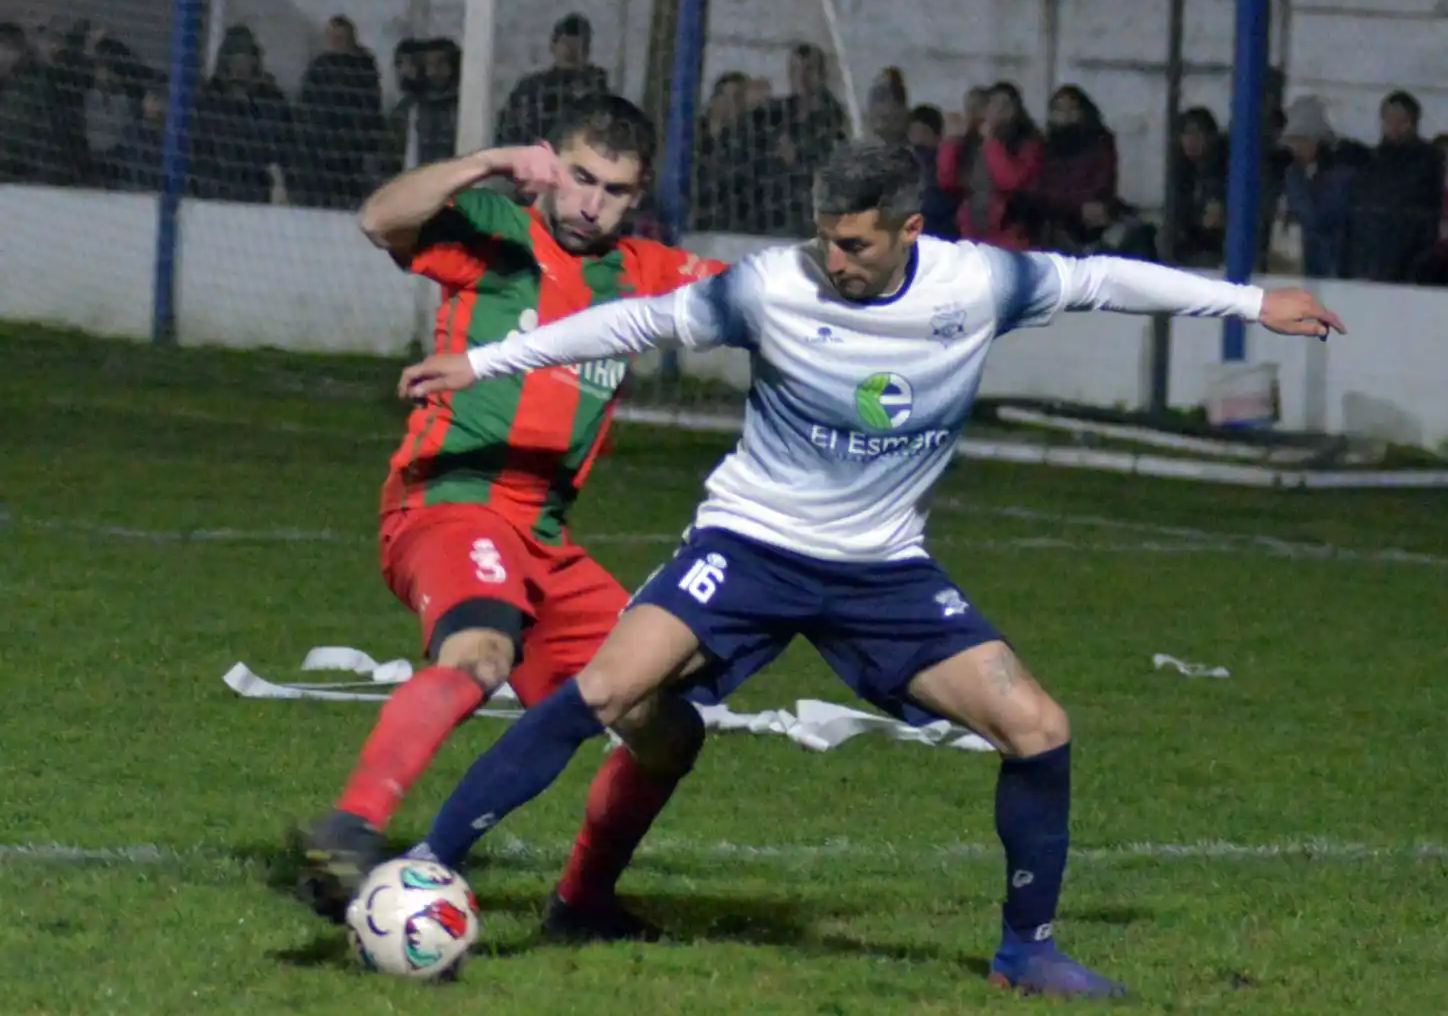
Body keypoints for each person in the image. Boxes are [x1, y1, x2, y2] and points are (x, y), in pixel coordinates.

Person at [395, 142, 1344, 998]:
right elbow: (634, 324)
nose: (833, 260)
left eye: (853, 243)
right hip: (750, 545)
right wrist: (489, 360)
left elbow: (1103, 279)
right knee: (603, 687)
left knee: (1038, 725)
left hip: (882, 571)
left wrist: (1254, 303)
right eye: (825, 239)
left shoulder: (979, 284)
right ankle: (426, 867)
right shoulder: (772, 285)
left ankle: (1027, 951)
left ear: (910, 231)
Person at [294, 93, 724, 943]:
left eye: (615, 189)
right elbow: (380, 217)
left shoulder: (643, 273)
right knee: (482, 651)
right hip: (451, 500)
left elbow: (764, 292)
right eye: (579, 178)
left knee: (665, 725)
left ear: (637, 199)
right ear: (548, 168)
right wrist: (487, 162)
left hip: (546, 538)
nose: (590, 202)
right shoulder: (495, 229)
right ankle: (350, 827)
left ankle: (582, 903)